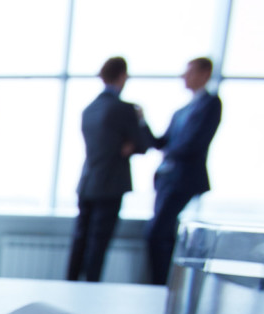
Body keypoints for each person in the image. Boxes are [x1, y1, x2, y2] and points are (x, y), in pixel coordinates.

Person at [67, 57, 151, 282]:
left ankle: (71, 284)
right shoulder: (124, 109)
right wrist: (139, 122)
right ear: (123, 76)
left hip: (87, 182)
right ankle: (91, 290)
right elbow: (144, 145)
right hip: (110, 184)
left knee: (80, 240)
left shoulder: (89, 109)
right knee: (98, 242)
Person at [145, 57, 222, 285]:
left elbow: (193, 143)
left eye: (189, 72)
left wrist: (170, 150)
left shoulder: (210, 104)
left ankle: (162, 285)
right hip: (167, 179)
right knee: (163, 234)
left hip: (184, 179)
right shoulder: (182, 111)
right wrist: (141, 123)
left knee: (156, 232)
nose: (184, 77)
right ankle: (163, 284)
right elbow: (161, 142)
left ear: (205, 74)